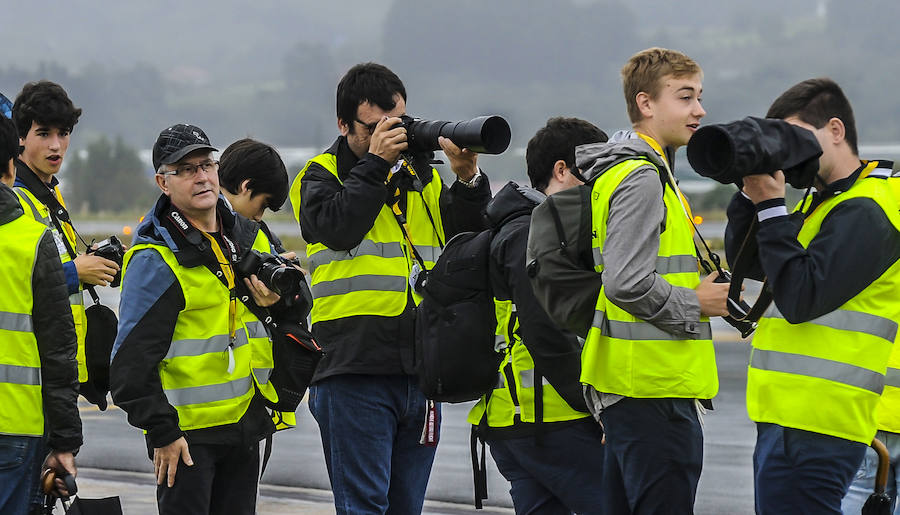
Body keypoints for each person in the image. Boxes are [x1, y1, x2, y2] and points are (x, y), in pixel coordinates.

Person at [290, 62, 491, 513]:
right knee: (364, 507)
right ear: (344, 125)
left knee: (406, 507)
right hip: (354, 370)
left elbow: (473, 245)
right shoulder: (319, 175)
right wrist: (378, 164)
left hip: (422, 370)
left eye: (398, 122)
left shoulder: (424, 178)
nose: (391, 134)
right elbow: (338, 228)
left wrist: (467, 180)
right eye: (375, 126)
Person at [722, 78, 900, 514]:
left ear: (836, 131)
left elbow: (801, 297)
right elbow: (755, 268)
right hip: (793, 419)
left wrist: (771, 208)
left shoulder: (868, 208)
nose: (789, 150)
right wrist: (752, 199)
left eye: (797, 137)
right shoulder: (821, 205)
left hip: (823, 420)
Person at [575, 47, 730, 514]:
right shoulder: (642, 177)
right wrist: (695, 304)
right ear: (646, 104)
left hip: (636, 388)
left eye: (699, 97)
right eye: (685, 97)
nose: (699, 110)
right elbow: (626, 281)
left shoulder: (635, 170)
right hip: (652, 390)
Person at [110, 124, 285, 514]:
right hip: (186, 442)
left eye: (206, 164)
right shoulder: (155, 258)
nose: (202, 177)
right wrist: (163, 432)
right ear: (163, 182)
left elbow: (295, 307)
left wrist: (278, 300)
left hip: (243, 428)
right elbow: (128, 368)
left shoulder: (247, 234)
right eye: (186, 169)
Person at [467, 117, 607, 514]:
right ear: (562, 170)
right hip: (553, 419)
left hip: (515, 420)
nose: (602, 184)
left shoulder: (513, 229)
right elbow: (546, 331)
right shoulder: (537, 234)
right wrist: (597, 407)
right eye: (594, 170)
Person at [11, 81, 120, 391]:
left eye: (64, 134)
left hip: (57, 361)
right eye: (44, 134)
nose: (56, 145)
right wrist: (75, 272)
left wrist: (92, 263)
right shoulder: (15, 199)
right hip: (29, 367)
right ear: (20, 138)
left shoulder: (50, 192)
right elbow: (14, 282)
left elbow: (50, 263)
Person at [0, 112, 81, 512]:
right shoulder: (29, 239)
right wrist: (65, 442)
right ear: (11, 165)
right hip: (15, 425)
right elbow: (57, 348)